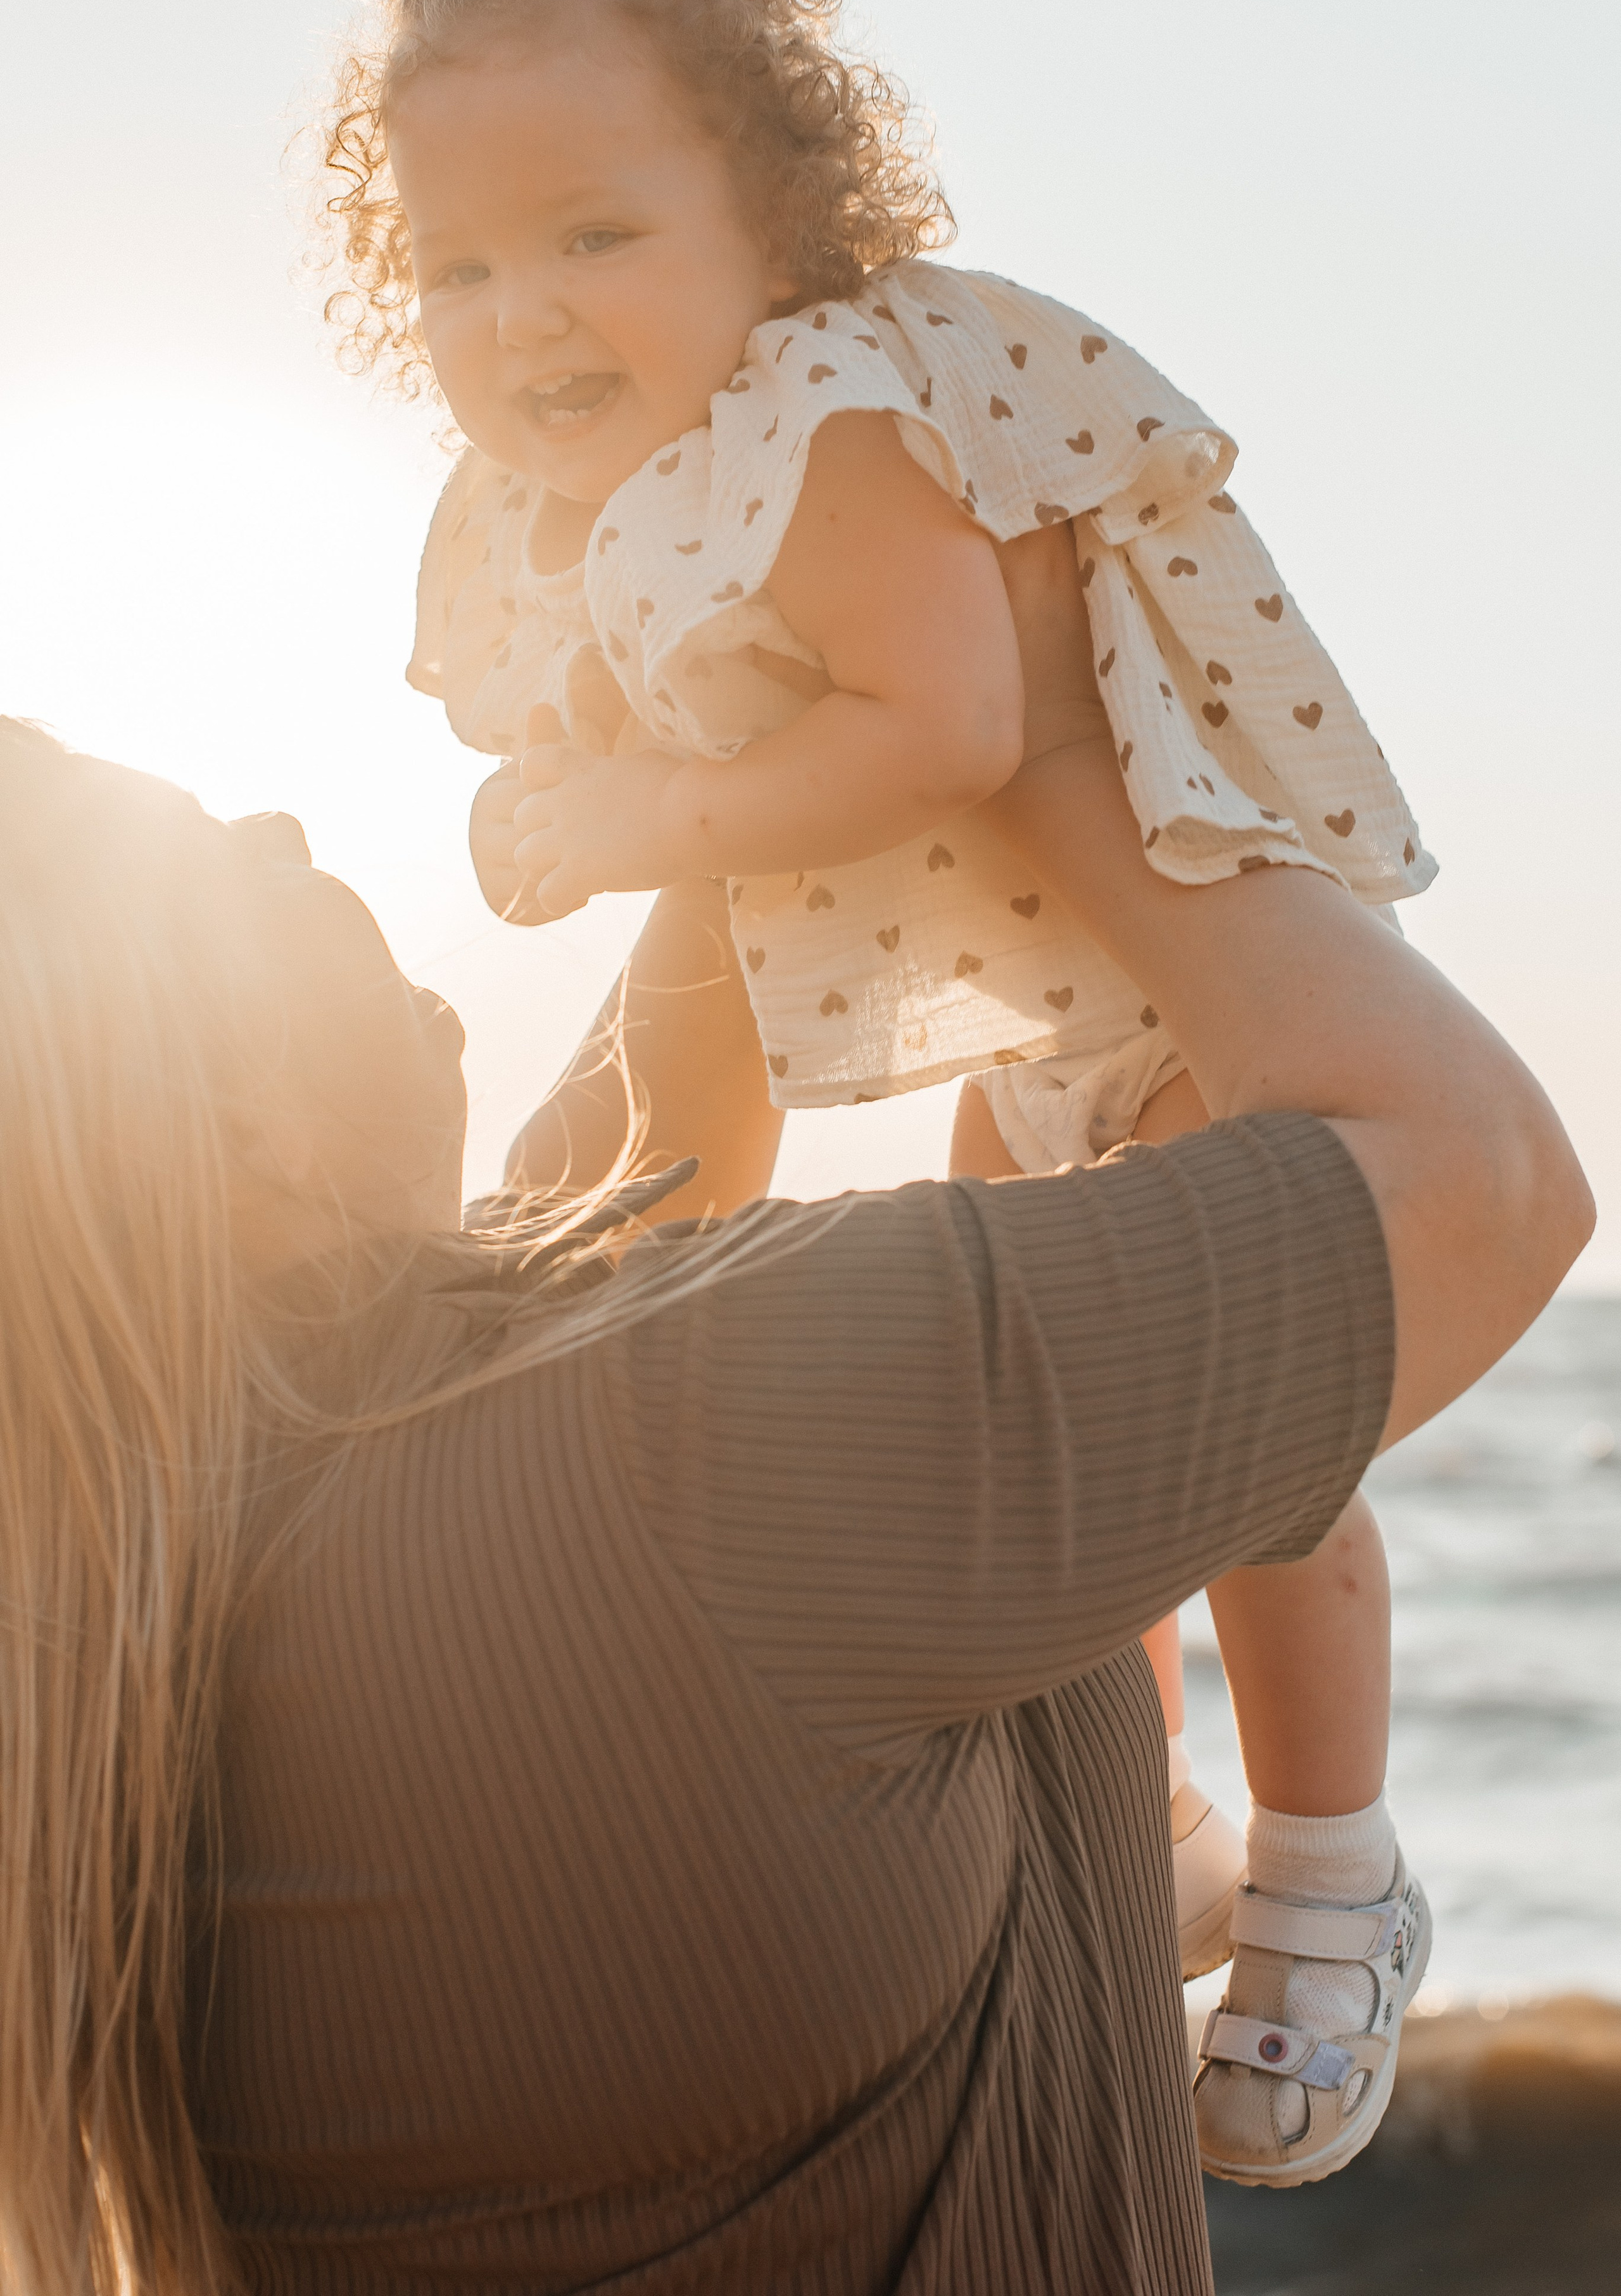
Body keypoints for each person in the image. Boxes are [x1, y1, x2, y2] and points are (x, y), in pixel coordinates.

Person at [323, 0, 1433, 2171]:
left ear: (776, 216)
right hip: (1027, 1009)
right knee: (1085, 1452)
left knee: (1253, 1438)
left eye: (594, 233)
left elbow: (947, 725)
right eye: (458, 264)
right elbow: (678, 890)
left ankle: (1335, 1876)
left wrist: (634, 814)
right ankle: (1151, 1813)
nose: (523, 312)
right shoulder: (599, 495)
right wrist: (571, 834)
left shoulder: (827, 418)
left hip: (1173, 956)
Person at [0, 709, 1589, 2296]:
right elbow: (1484, 1185)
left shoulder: (191, 1544)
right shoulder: (661, 1435)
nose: (280, 830)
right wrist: (1031, 717)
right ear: (233, 1122)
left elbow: (631, 1168)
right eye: (223, 858)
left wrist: (761, 735)